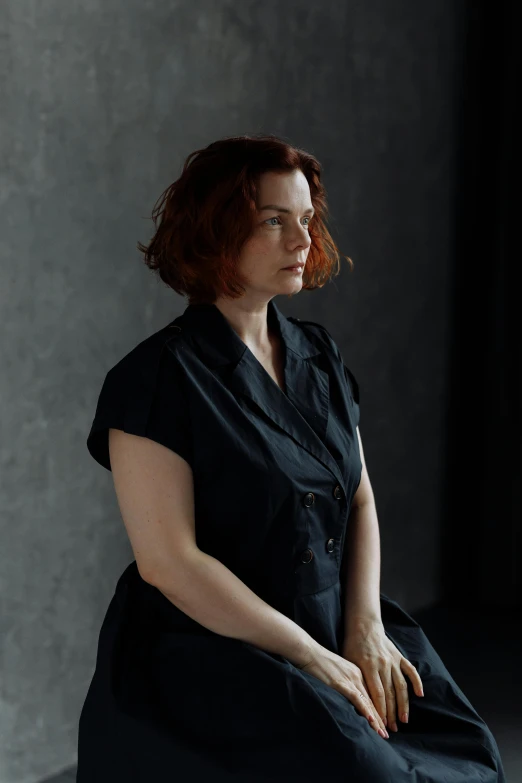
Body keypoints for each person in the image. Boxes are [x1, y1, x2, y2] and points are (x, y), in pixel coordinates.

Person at [76, 134, 506, 782]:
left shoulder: (318, 354)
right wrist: (311, 655)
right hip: (218, 644)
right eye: (274, 220)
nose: (302, 240)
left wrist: (363, 625)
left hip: (334, 615)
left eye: (306, 219)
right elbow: (171, 563)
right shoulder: (153, 378)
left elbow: (357, 493)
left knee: (471, 752)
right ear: (214, 229)